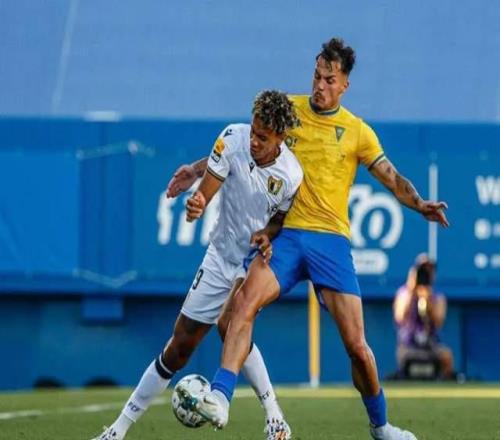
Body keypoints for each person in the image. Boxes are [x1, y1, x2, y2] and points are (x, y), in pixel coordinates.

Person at [173, 38, 449, 440]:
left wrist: (420, 203)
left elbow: (391, 177)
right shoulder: (289, 110)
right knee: (239, 308)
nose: (320, 85)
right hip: (284, 236)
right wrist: (198, 170)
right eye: (317, 76)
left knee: (357, 347)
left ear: (345, 84)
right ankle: (220, 396)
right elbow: (242, 146)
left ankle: (381, 426)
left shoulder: (357, 131)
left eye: (329, 80)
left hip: (331, 242)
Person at [91, 90, 303, 440]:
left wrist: (267, 235)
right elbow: (207, 189)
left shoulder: (291, 174)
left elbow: (278, 222)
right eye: (253, 131)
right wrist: (198, 201)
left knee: (231, 322)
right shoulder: (233, 137)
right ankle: (117, 430)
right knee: (179, 348)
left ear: (280, 137)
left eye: (263, 137)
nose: (254, 140)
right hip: (220, 254)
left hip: (253, 260)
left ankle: (274, 418)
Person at [394, 254, 455, 379]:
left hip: (431, 345)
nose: (426, 274)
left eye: (430, 270)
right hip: (408, 345)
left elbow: (438, 322)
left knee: (446, 356)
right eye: (423, 270)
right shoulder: (403, 293)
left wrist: (428, 300)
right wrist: (411, 290)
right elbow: (399, 317)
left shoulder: (437, 297)